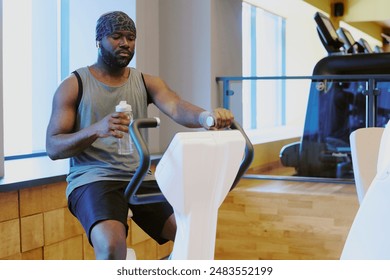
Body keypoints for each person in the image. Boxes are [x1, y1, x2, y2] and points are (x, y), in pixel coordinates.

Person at [46, 11, 234, 260]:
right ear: (98, 40)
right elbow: (53, 146)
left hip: (138, 176)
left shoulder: (146, 81)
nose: (125, 43)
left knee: (191, 235)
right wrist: (96, 129)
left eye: (131, 37)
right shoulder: (73, 85)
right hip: (93, 178)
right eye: (116, 36)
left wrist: (206, 118)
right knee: (112, 248)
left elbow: (176, 106)